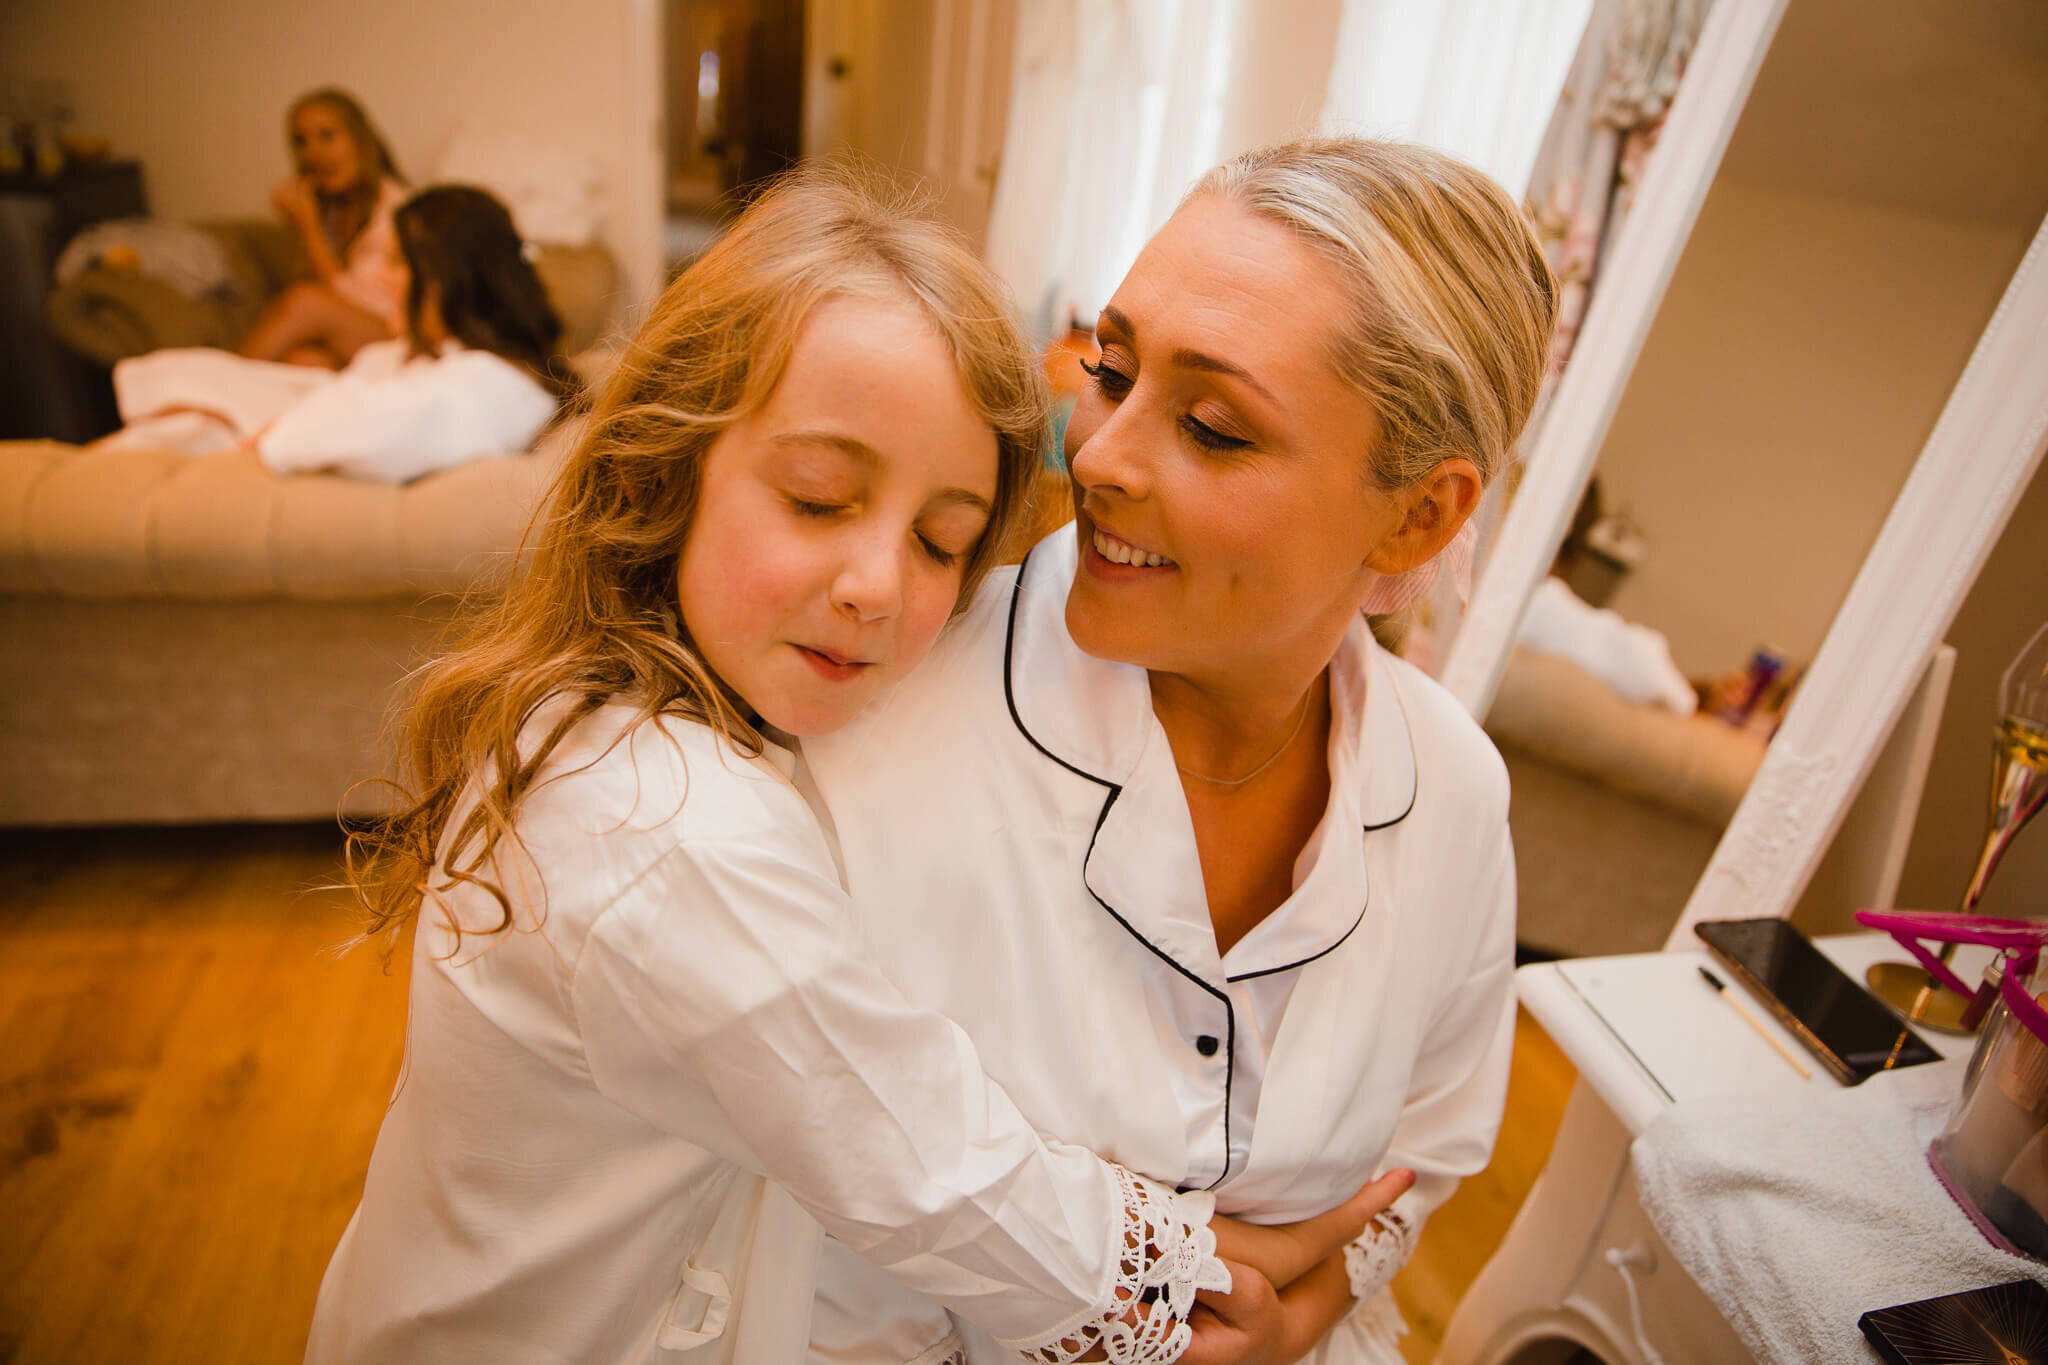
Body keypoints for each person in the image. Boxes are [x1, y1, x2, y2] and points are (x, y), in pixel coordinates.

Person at [304, 166, 1396, 1365]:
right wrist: (1228, 1284)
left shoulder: (660, 714)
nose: (879, 586)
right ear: (666, 470)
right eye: (819, 500)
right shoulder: (667, 833)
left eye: (939, 543)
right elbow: (928, 1168)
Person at [798, 136, 1559, 1362]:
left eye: (1210, 426)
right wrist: (1143, 1304)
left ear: (1420, 512)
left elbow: (1426, 1155)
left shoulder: (1454, 791)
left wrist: (1294, 1317)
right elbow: (797, 1229)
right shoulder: (874, 725)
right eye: (1110, 368)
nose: (1094, 456)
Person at [110, 185, 569, 481]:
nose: (381, 279)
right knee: (192, 388)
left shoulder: (491, 383)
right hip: (290, 418)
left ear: (441, 280)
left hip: (261, 454)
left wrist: (269, 435)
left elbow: (381, 429)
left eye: (394, 262)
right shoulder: (471, 363)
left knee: (184, 418)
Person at [238, 87, 408, 367]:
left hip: (395, 331)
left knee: (305, 302)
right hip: (349, 341)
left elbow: (338, 299)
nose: (314, 153)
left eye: (327, 136)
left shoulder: (395, 210)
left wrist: (309, 228)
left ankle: (214, 388)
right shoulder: (329, 210)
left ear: (360, 139)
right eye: (301, 142)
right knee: (302, 360)